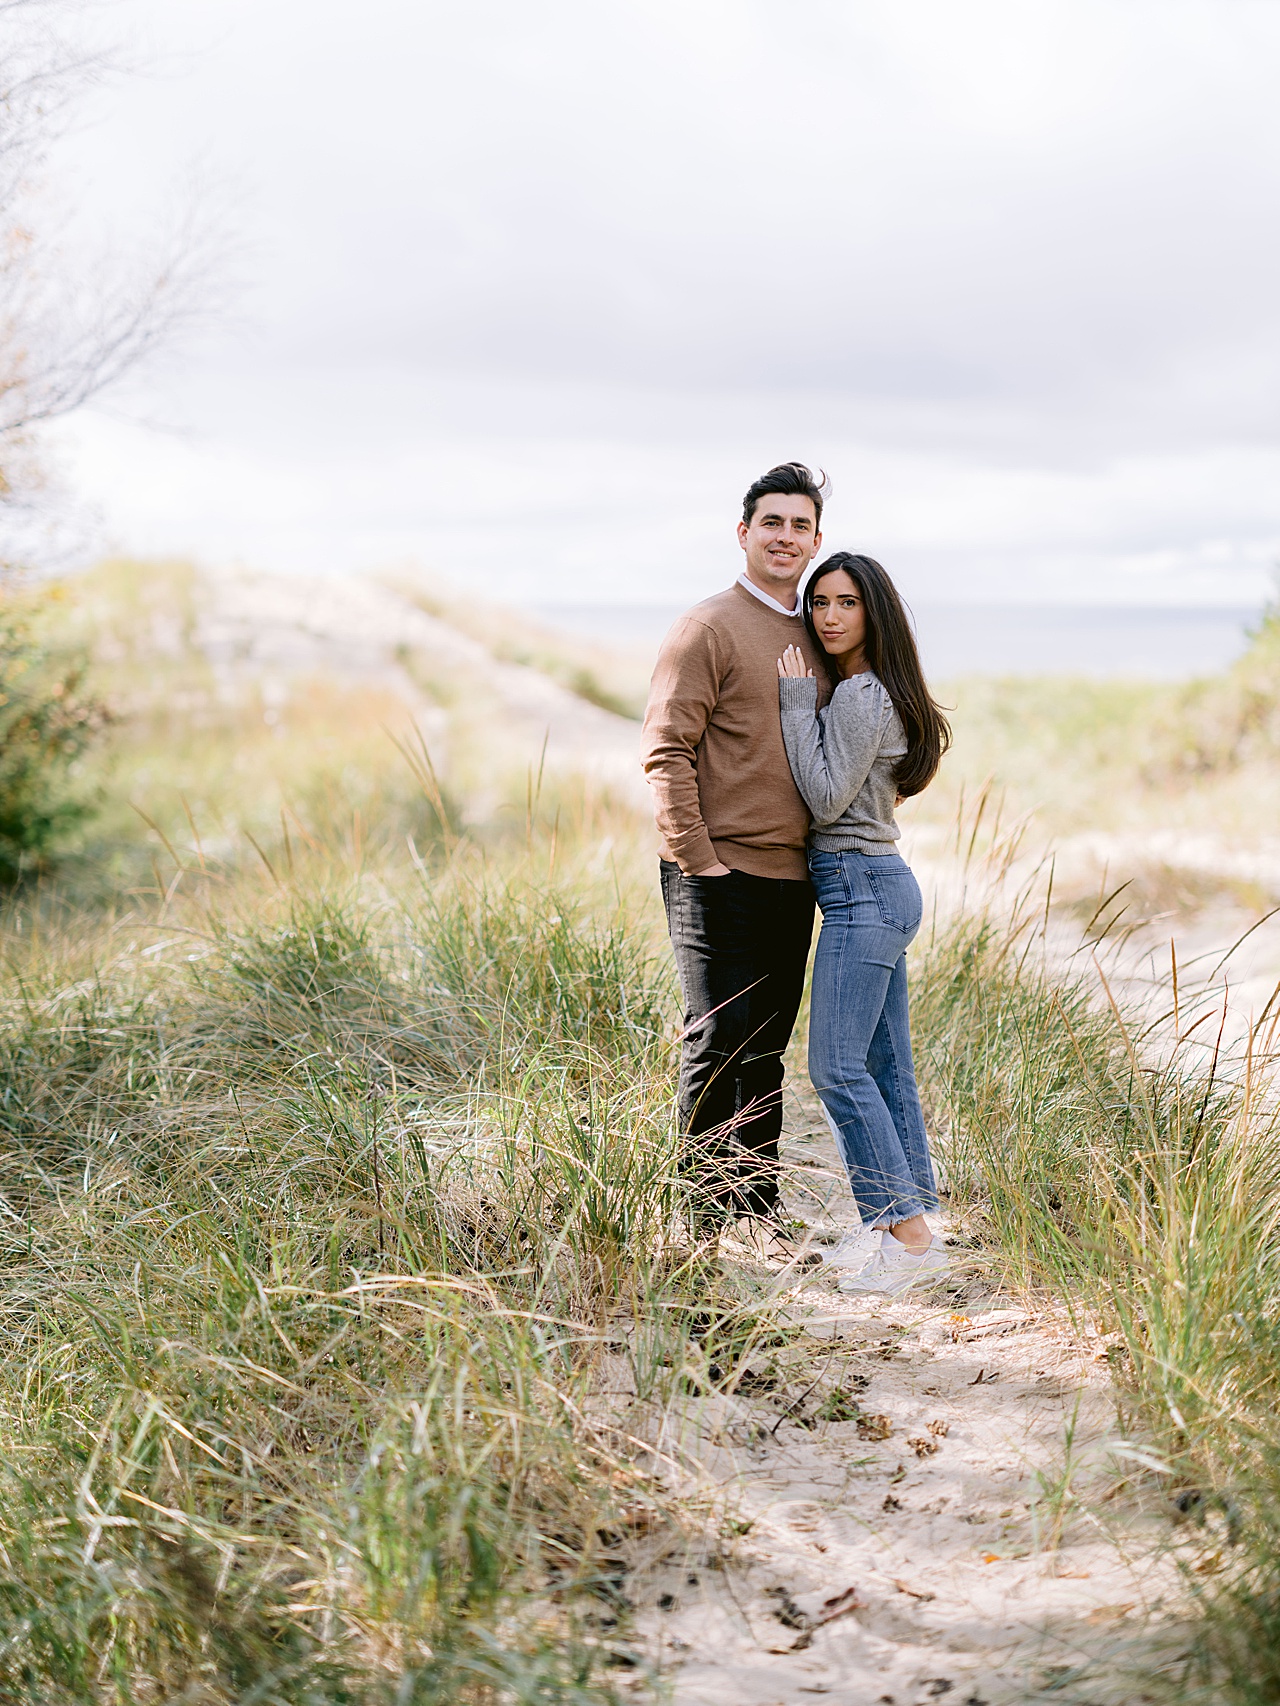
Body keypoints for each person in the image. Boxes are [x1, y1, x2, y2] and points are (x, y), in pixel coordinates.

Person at [641, 462, 830, 1246]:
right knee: (718, 1040)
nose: (786, 537)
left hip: (796, 875)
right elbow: (666, 749)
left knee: (767, 1052)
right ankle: (702, 1218)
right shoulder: (708, 626)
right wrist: (698, 857)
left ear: (817, 539)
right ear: (745, 532)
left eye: (801, 525)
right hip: (715, 873)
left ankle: (757, 1208)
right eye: (772, 523)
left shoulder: (821, 630)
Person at [776, 552, 952, 1295]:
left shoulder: (857, 695)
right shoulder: (880, 690)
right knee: (884, 1067)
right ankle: (900, 1227)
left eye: (846, 602)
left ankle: (908, 1241)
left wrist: (793, 703)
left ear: (873, 611)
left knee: (837, 1068)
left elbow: (822, 798)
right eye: (819, 602)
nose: (829, 616)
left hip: (860, 889)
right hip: (879, 886)